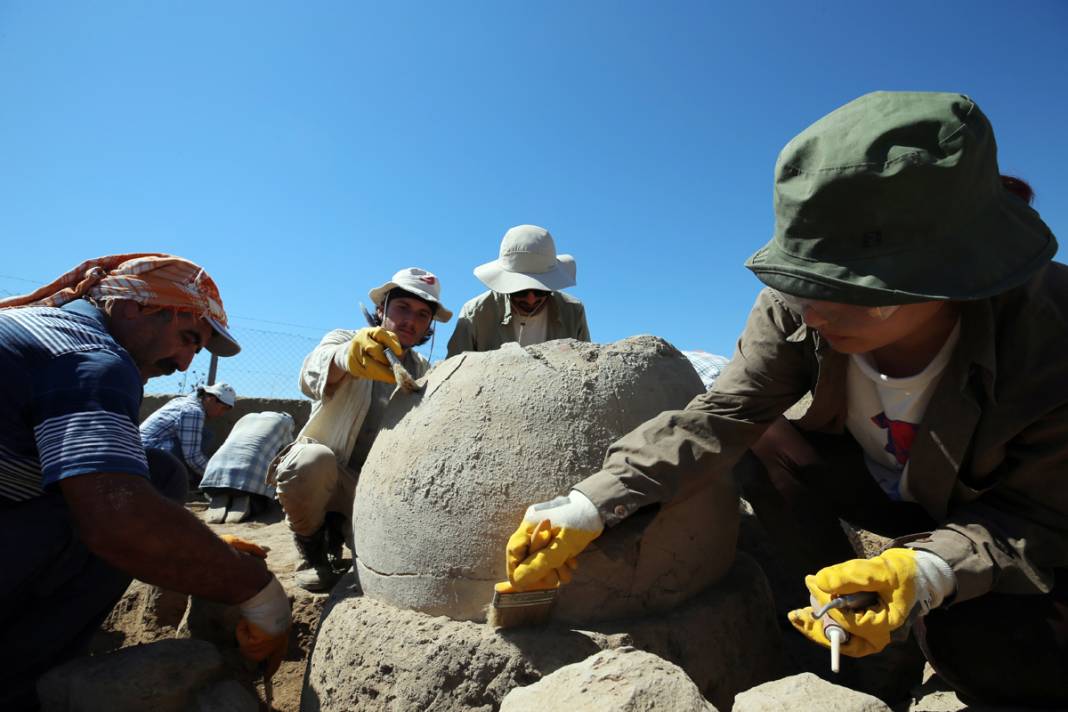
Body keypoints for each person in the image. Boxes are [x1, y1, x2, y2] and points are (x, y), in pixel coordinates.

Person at [504, 92, 1067, 707]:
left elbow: (1043, 519)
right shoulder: (798, 305)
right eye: (804, 286)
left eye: (850, 291)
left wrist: (929, 571)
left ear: (953, 276)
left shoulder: (1047, 338)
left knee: (990, 653)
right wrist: (592, 503)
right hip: (873, 485)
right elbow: (726, 415)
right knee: (763, 440)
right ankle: (846, 616)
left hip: (988, 511)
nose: (816, 312)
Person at [0, 254, 290, 710]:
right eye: (188, 337)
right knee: (149, 488)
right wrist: (256, 591)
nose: (182, 361)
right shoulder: (89, 357)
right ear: (134, 307)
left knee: (157, 474)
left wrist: (191, 538)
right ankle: (19, 687)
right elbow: (116, 517)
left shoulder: (40, 329)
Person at [269, 267, 452, 592]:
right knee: (309, 462)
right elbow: (311, 372)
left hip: (373, 490)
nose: (411, 320)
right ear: (381, 310)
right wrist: (346, 358)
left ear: (429, 326)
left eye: (423, 314)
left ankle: (342, 529)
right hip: (329, 473)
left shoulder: (423, 370)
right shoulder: (346, 341)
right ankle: (312, 552)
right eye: (402, 308)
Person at [446, 224, 590, 357]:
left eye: (540, 290)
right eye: (521, 290)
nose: (530, 299)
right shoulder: (476, 314)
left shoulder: (573, 313)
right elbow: (453, 374)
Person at [200, 411, 295, 523]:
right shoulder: (285, 422)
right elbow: (289, 451)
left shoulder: (245, 418)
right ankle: (250, 503)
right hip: (248, 473)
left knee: (225, 489)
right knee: (264, 501)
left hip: (215, 470)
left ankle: (221, 497)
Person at [140, 382, 237, 488]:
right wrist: (217, 479)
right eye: (223, 408)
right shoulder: (193, 412)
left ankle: (186, 478)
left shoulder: (183, 401)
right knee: (201, 441)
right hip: (147, 458)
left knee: (206, 435)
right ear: (212, 399)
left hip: (142, 451)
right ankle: (168, 482)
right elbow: (192, 457)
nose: (222, 413)